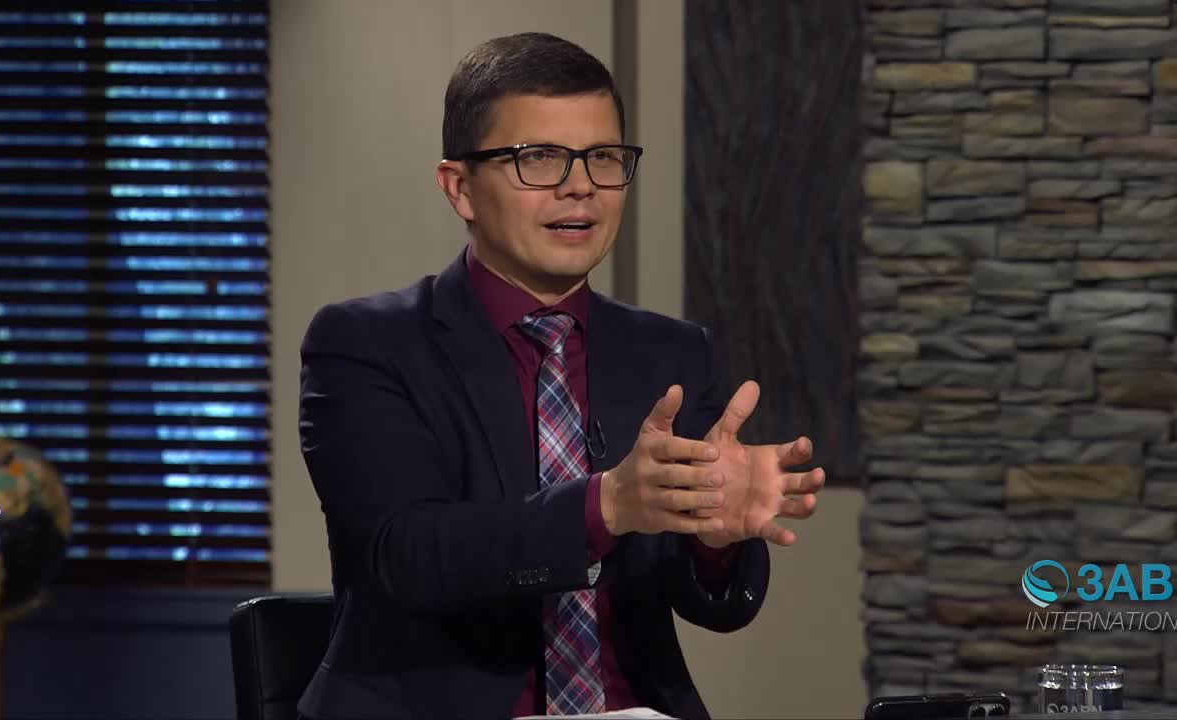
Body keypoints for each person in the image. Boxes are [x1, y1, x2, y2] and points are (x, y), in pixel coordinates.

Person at [296, 32, 825, 720]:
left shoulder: (670, 353)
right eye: (538, 158)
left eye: (603, 157)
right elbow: (405, 556)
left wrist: (714, 539)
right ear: (460, 187)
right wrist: (604, 505)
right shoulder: (367, 345)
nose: (580, 185)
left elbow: (706, 603)